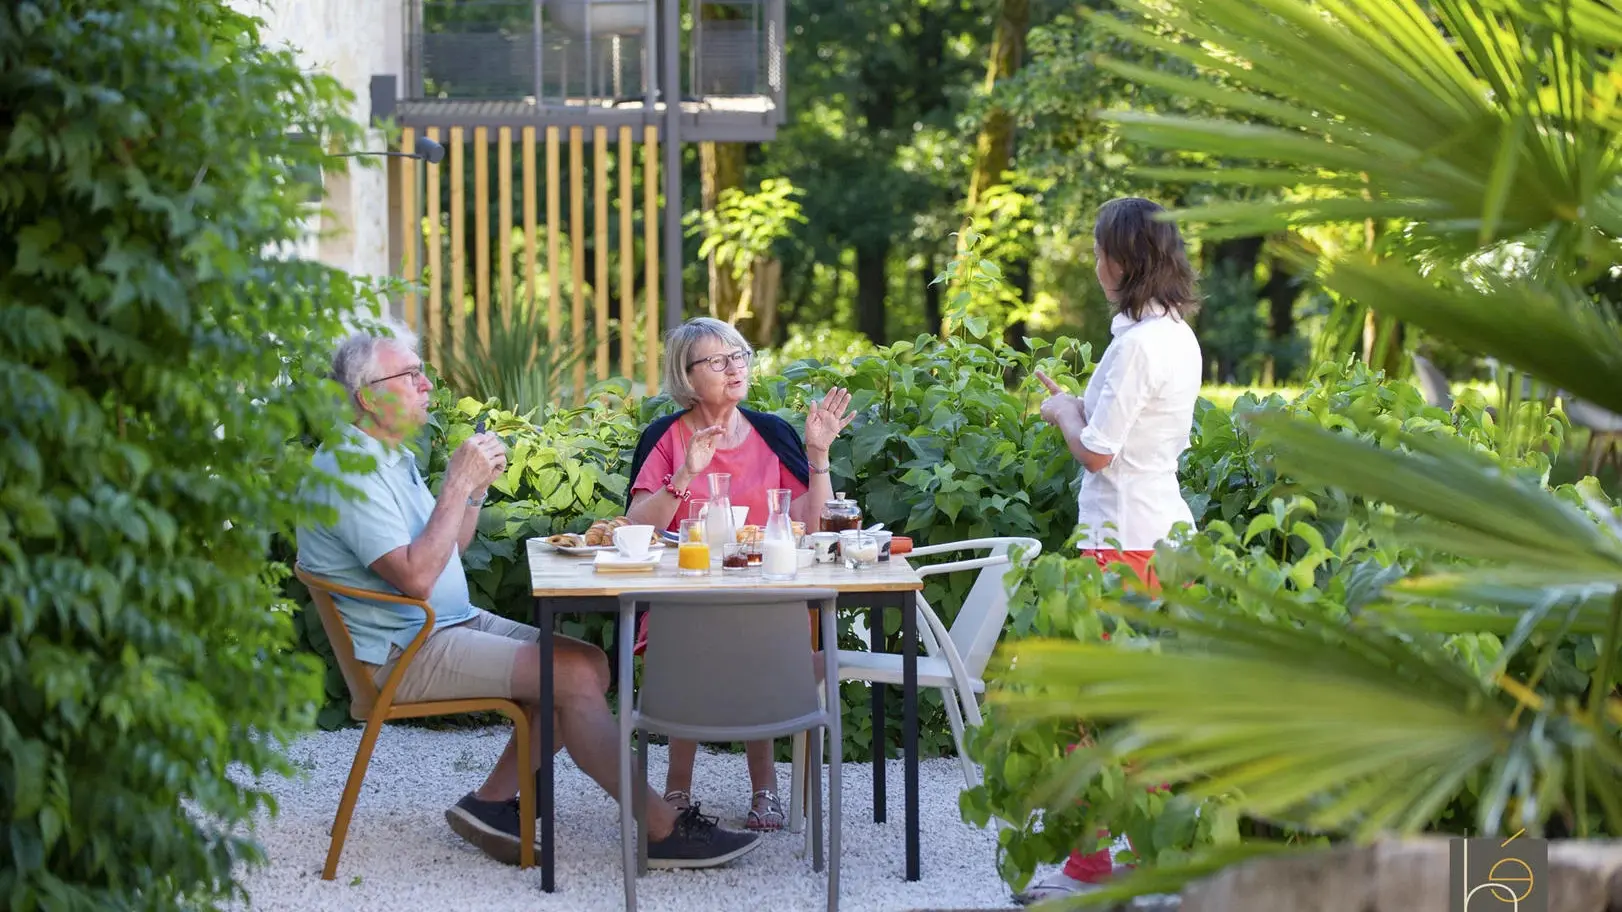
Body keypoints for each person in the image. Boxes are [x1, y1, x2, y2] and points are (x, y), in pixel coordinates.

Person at [297, 324, 760, 870]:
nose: (426, 385)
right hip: (404, 648)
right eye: (411, 374)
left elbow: (451, 546)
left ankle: (490, 803)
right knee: (569, 676)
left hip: (444, 624)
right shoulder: (346, 472)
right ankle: (660, 828)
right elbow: (417, 577)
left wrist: (472, 491)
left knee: (587, 663)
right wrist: (454, 484)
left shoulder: (387, 457)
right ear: (370, 396)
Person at [1020, 197, 1203, 904]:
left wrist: (1065, 411)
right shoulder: (1174, 335)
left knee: (1089, 711)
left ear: (1120, 262)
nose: (1096, 263)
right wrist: (1079, 401)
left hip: (1119, 544)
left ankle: (1091, 873)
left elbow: (1098, 453)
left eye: (1100, 251)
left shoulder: (1136, 345)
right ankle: (1144, 861)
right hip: (1159, 537)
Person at [625, 317, 855, 830]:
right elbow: (636, 526)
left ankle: (765, 789)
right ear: (687, 376)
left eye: (741, 356)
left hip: (764, 600)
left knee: (760, 631)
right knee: (696, 631)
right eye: (719, 360)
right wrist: (684, 474)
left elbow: (812, 526)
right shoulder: (665, 438)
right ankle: (677, 789)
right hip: (682, 600)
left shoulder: (772, 434)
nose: (735, 368)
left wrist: (818, 455)